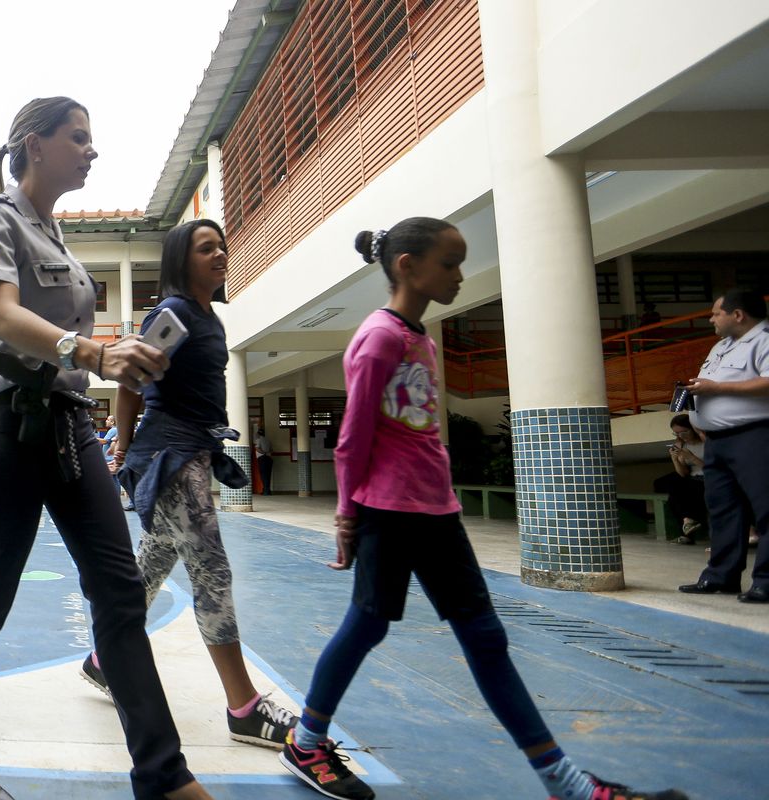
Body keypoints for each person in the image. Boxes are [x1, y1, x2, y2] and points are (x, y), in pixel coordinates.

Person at [278, 217, 687, 800]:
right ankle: (306, 741)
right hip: (388, 513)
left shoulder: (420, 337)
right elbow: (352, 437)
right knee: (367, 626)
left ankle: (566, 784)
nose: (460, 276)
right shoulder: (380, 338)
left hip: (435, 511)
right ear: (408, 266)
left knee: (485, 636)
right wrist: (347, 517)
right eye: (450, 263)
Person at [0, 96, 212, 800]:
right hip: (11, 427)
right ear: (34, 144)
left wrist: (120, 354)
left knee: (119, 592)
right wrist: (91, 351)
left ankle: (163, 774)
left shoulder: (57, 235)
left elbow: (64, 337)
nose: (92, 150)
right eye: (78, 137)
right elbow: (0, 314)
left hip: (72, 426)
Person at [76, 219, 295, 751]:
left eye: (222, 246)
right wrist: (124, 452)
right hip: (169, 458)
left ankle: (104, 660)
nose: (220, 253)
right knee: (212, 573)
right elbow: (131, 382)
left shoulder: (207, 317)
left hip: (193, 452)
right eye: (206, 248)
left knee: (151, 567)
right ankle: (244, 707)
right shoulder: (173, 314)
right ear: (181, 259)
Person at [678, 287, 769, 603]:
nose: (711, 319)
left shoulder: (763, 340)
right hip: (717, 440)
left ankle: (766, 582)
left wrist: (718, 389)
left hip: (754, 435)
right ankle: (721, 576)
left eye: (716, 313)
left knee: (765, 508)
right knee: (723, 510)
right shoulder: (721, 346)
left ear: (738, 314)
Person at [655, 414, 707, 545]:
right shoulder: (682, 445)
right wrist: (675, 459)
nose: (680, 436)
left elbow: (715, 468)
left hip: (709, 477)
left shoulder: (706, 441)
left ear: (693, 428)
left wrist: (692, 457)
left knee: (677, 491)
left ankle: (688, 527)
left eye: (684, 432)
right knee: (670, 490)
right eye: (676, 433)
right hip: (692, 478)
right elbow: (683, 473)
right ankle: (688, 521)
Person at [253, 426, 273, 495]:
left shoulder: (258, 440)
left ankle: (265, 491)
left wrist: (263, 453)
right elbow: (271, 450)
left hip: (262, 458)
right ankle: (268, 490)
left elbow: (257, 448)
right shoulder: (268, 440)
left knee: (263, 475)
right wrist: (267, 453)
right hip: (269, 458)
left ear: (258, 434)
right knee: (268, 475)